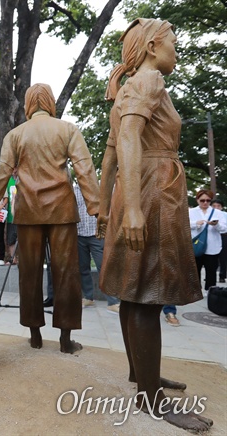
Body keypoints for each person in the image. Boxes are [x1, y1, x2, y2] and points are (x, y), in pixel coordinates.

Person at [97, 19, 212, 431]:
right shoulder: (149, 81)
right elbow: (127, 135)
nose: (177, 52)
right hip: (151, 191)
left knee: (134, 291)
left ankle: (141, 375)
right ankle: (151, 400)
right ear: (151, 47)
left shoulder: (126, 89)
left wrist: (104, 204)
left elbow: (110, 155)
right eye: (174, 45)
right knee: (148, 293)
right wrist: (130, 209)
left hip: (138, 187)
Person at [0, 83, 99, 355]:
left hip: (28, 210)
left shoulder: (15, 134)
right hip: (62, 210)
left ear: (29, 104)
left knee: (29, 273)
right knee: (67, 273)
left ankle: (35, 335)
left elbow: (3, 172)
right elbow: (84, 169)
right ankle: (65, 338)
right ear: (50, 102)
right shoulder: (67, 129)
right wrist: (97, 207)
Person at [74, 183, 120, 314]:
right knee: (83, 268)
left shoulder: (100, 188)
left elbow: (112, 208)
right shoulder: (73, 190)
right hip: (79, 235)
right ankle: (88, 298)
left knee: (104, 268)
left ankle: (113, 301)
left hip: (97, 235)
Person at [189, 189, 226, 291]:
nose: (205, 202)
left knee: (211, 271)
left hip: (212, 246)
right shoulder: (190, 212)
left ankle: (211, 291)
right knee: (195, 270)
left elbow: (224, 228)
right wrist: (196, 224)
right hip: (196, 246)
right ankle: (195, 291)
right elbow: (183, 226)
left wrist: (216, 225)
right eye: (202, 200)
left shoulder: (217, 213)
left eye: (208, 200)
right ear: (197, 200)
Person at [211, 199, 227, 283]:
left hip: (223, 236)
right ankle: (210, 275)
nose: (216, 208)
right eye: (214, 206)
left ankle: (222, 276)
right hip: (211, 236)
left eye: (218, 206)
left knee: (223, 257)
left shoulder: (225, 215)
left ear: (222, 207)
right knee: (211, 257)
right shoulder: (208, 214)